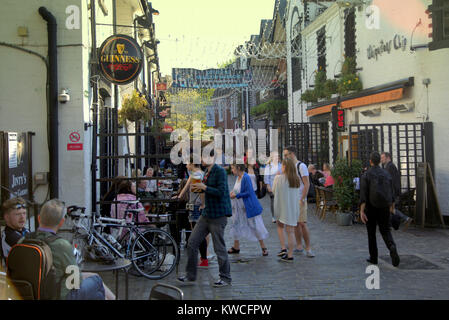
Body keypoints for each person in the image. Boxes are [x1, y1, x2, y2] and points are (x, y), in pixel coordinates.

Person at [28, 199, 115, 300]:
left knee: (94, 282)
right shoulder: (61, 245)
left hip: (32, 292)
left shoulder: (24, 240)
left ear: (39, 218)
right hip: (58, 295)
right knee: (96, 282)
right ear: (61, 222)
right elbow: (74, 280)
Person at [177, 150, 232, 287]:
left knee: (219, 248)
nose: (201, 159)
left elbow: (220, 192)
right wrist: (202, 200)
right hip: (206, 214)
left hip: (218, 215)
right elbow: (203, 191)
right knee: (192, 242)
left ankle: (225, 278)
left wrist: (204, 188)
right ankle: (191, 275)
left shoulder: (220, 172)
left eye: (204, 156)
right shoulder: (206, 172)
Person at [360, 152, 400, 267]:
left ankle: (373, 257)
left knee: (371, 233)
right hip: (384, 207)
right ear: (379, 161)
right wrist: (391, 208)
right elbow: (391, 192)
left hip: (371, 207)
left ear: (371, 161)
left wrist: (362, 211)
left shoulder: (366, 175)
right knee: (385, 230)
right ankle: (391, 246)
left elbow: (363, 195)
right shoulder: (386, 174)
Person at [228, 164, 269, 257]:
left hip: (247, 206)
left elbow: (248, 192)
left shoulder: (245, 177)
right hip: (239, 207)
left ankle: (263, 247)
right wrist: (233, 192)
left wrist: (236, 195)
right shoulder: (238, 177)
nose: (231, 170)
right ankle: (236, 246)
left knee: (254, 225)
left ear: (238, 168)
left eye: (233, 168)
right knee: (236, 224)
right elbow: (238, 190)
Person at [175, 160, 209, 268]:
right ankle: (202, 258)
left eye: (187, 164)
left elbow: (201, 191)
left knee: (196, 234)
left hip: (195, 206)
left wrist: (203, 204)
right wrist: (178, 196)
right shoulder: (195, 174)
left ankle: (203, 259)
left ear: (192, 164)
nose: (186, 165)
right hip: (192, 205)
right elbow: (184, 189)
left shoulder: (196, 175)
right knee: (196, 233)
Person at [283, 146, 315, 257]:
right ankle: (299, 245)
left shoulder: (301, 166)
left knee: (302, 223)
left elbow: (307, 183)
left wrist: (302, 198)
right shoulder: (289, 166)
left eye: (286, 155)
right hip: (292, 197)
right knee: (295, 223)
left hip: (300, 198)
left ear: (292, 154)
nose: (285, 157)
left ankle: (308, 248)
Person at [273, 158, 301, 262]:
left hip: (282, 207)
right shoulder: (296, 179)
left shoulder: (278, 178)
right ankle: (290, 254)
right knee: (291, 232)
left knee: (281, 227)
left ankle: (285, 249)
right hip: (293, 208)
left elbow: (273, 191)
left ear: (285, 167)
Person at [381, 152, 413, 229]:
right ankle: (402, 220)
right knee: (390, 209)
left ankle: (404, 219)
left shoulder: (390, 167)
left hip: (392, 192)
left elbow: (389, 181)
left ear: (388, 157)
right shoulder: (390, 166)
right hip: (393, 192)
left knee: (389, 208)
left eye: (383, 157)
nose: (381, 159)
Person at [264, 151, 282, 223]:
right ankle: (274, 216)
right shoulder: (269, 166)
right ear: (272, 157)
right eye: (275, 156)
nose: (277, 157)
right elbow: (266, 177)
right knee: (273, 202)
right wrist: (268, 186)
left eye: (278, 156)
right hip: (272, 186)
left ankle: (280, 216)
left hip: (281, 186)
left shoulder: (281, 165)